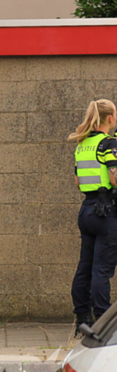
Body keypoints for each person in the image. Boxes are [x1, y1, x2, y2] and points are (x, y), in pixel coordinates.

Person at [69, 99, 117, 336]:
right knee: (102, 269)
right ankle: (103, 320)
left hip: (87, 208)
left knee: (85, 267)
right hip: (106, 210)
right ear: (110, 118)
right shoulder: (109, 143)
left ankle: (82, 317)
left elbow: (78, 182)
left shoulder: (81, 145)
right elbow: (115, 178)